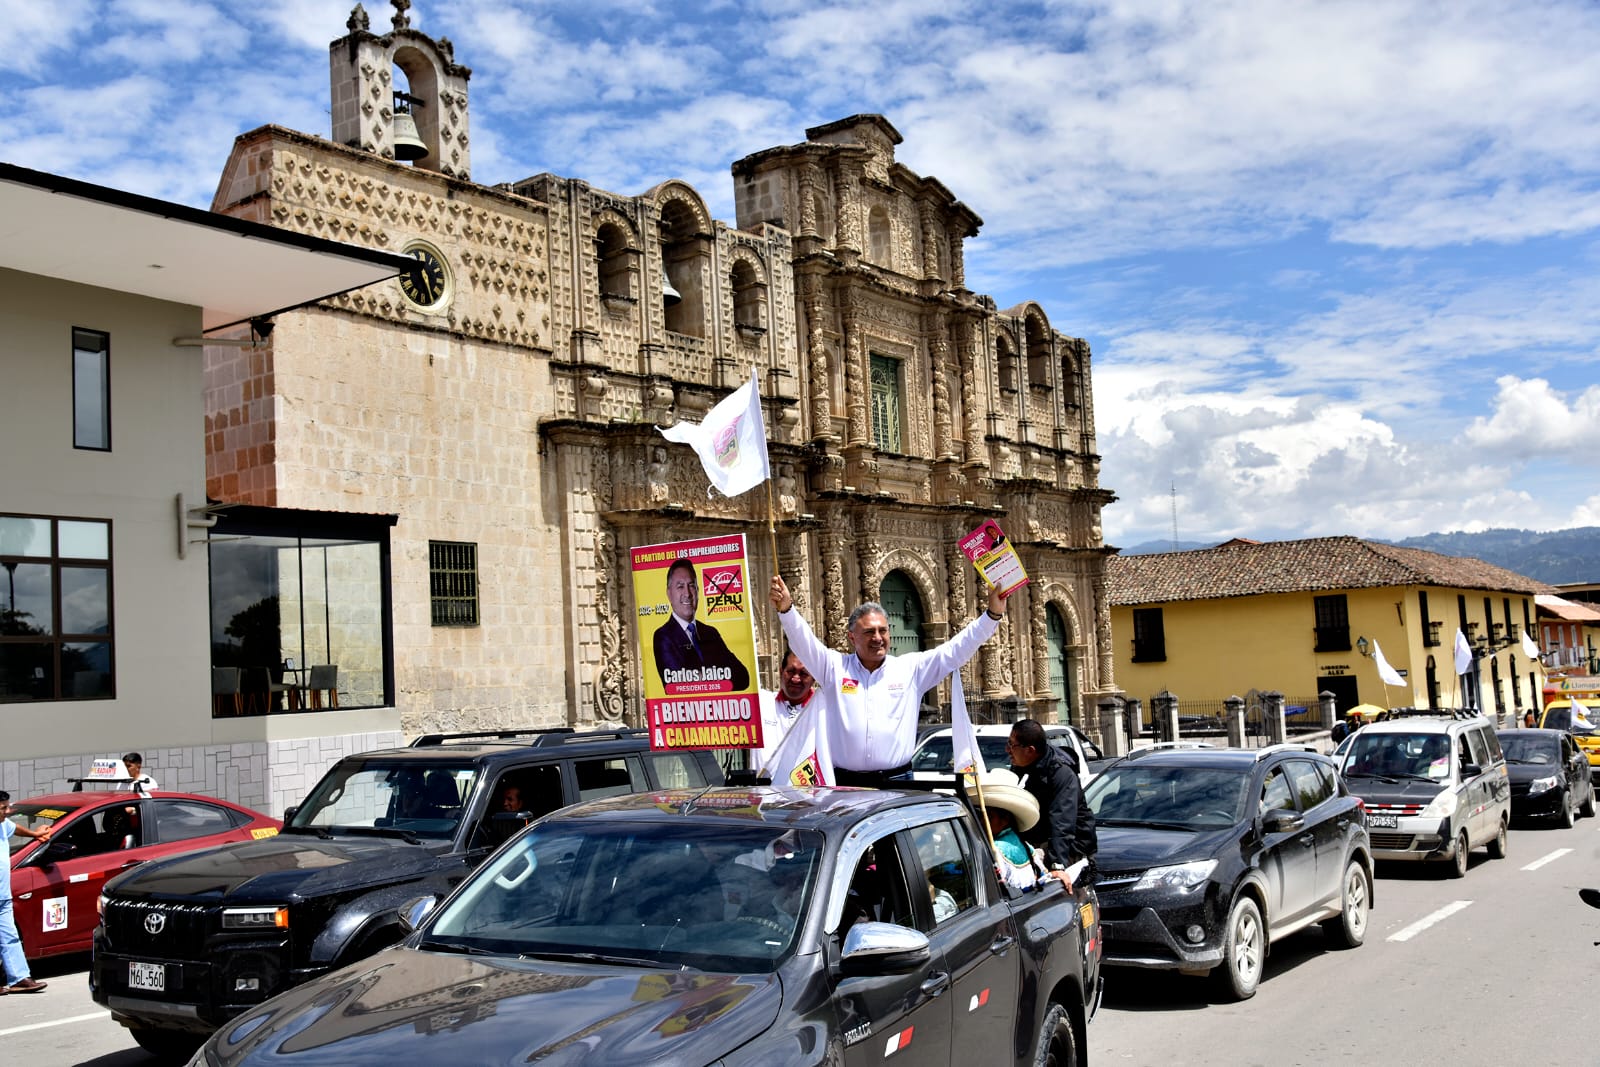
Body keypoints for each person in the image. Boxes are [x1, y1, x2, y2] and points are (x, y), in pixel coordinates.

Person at [769, 574, 1010, 786]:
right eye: (869, 632)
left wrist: (992, 615)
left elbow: (955, 650)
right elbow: (803, 642)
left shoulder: (910, 669)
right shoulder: (833, 668)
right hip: (845, 784)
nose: (877, 638)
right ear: (852, 638)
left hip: (897, 782)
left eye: (882, 630)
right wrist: (787, 610)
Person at [1007, 718, 1095, 889]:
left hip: (1070, 847)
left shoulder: (1061, 774)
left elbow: (1062, 823)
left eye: (1012, 745)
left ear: (1030, 750)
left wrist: (1057, 865)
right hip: (1038, 839)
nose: (1007, 750)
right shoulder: (1021, 767)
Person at [653, 558, 751, 691]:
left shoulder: (710, 632)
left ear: (698, 591)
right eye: (680, 586)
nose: (687, 594)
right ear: (669, 593)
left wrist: (701, 677)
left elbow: (743, 677)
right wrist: (720, 676)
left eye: (691, 586)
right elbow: (677, 685)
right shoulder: (663, 636)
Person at [1, 790, 54, 993]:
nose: (8, 811)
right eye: (3, 808)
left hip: (3, 895)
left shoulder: (3, 824)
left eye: (8, 806)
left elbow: (15, 828)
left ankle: (19, 978)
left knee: (10, 936)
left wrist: (35, 834)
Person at [752, 650, 815, 772]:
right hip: (762, 790)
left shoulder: (824, 711)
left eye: (803, 674)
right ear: (781, 672)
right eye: (791, 671)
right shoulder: (759, 702)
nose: (796, 678)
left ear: (814, 678)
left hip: (807, 790)